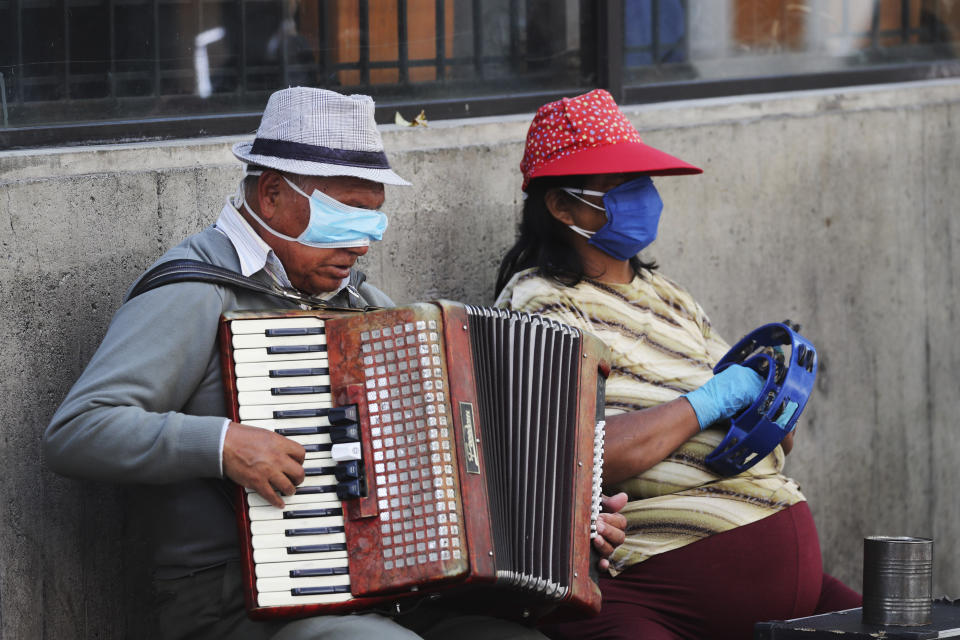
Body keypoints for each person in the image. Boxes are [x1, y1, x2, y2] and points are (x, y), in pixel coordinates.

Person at [42, 87, 626, 640]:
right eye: (343, 216)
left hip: (384, 587)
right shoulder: (196, 290)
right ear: (271, 194)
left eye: (373, 220)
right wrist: (223, 444)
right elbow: (79, 430)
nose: (361, 242)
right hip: (233, 602)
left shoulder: (361, 303)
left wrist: (565, 521)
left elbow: (447, 453)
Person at [494, 89, 862, 640]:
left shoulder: (670, 296)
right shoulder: (542, 303)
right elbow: (559, 458)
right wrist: (709, 401)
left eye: (642, 183)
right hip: (647, 594)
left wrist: (772, 398)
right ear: (562, 206)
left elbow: (781, 446)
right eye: (618, 188)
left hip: (790, 569)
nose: (642, 198)